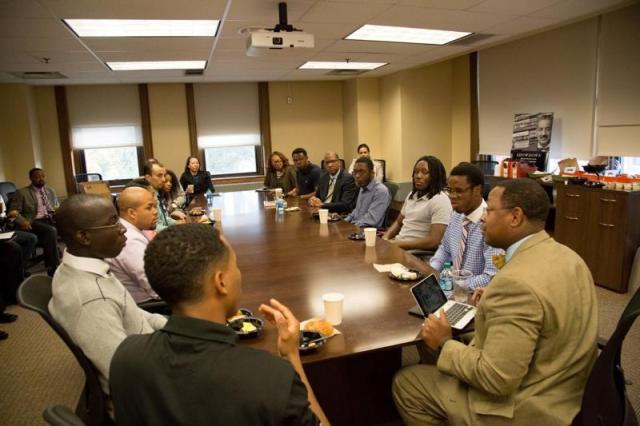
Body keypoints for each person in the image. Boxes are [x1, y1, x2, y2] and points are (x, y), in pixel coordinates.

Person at [393, 178, 598, 425]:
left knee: (407, 383)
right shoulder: (570, 257)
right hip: (570, 388)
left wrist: (445, 342)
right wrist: (493, 300)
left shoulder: (515, 283)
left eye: (489, 210)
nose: (482, 218)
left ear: (515, 217)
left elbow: (496, 379)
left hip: (528, 407)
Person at [109, 224, 329, 425]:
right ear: (221, 282)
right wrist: (291, 356)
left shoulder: (126, 356)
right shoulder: (270, 377)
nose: (240, 274)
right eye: (236, 266)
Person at [48, 194, 167, 397]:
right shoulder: (92, 300)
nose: (122, 228)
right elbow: (128, 376)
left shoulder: (81, 267)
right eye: (113, 223)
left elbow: (133, 314)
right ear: (84, 237)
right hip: (148, 389)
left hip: (147, 348)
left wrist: (172, 327)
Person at [429, 162, 502, 291]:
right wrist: (431, 272)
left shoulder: (492, 224)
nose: (452, 196)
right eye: (449, 190)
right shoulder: (456, 215)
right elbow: (445, 249)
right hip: (450, 288)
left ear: (477, 190)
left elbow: (491, 277)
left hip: (474, 296)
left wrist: (456, 284)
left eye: (458, 191)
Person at [383, 156, 451, 251]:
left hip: (416, 253)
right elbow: (398, 223)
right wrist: (385, 238)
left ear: (435, 176)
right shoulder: (412, 194)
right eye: (416, 172)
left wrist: (397, 244)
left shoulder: (440, 200)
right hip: (399, 246)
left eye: (425, 172)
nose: (418, 176)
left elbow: (433, 241)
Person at [106, 187, 161, 304]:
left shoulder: (130, 229)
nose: (155, 211)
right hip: (150, 306)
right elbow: (154, 286)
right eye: (149, 207)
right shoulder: (129, 240)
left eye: (155, 206)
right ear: (132, 213)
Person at [9, 168, 60, 276]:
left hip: (49, 218)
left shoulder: (50, 191)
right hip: (33, 220)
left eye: (43, 176)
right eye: (37, 177)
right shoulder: (22, 192)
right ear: (31, 178)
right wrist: (22, 221)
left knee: (70, 223)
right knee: (51, 231)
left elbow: (55, 206)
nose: (40, 179)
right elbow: (12, 212)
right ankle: (53, 267)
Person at [345, 157, 391, 228]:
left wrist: (350, 227)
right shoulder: (363, 186)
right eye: (355, 172)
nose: (357, 175)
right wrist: (344, 222)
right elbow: (357, 211)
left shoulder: (380, 191)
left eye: (361, 171)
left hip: (368, 232)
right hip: (356, 227)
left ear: (372, 173)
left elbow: (371, 220)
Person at [144, 161, 181, 232]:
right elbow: (154, 228)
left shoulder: (157, 192)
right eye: (159, 175)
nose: (163, 179)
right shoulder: (146, 196)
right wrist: (175, 229)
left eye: (164, 175)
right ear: (148, 178)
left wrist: (176, 223)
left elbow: (163, 219)